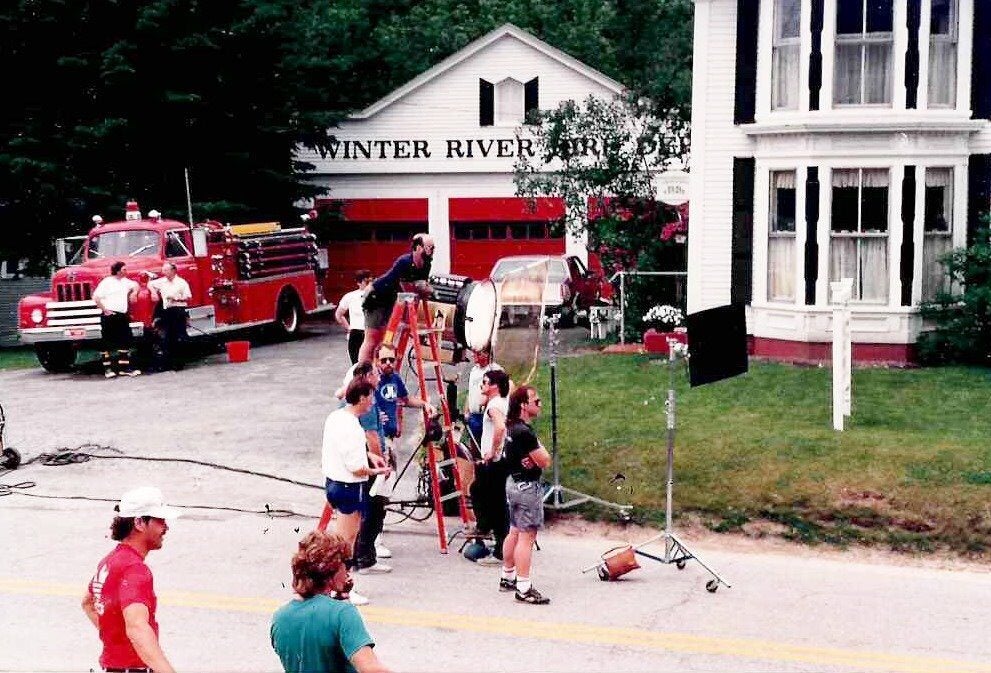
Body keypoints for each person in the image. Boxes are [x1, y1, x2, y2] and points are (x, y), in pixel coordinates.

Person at [82, 486, 182, 673]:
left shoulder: (109, 561)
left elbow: (88, 603)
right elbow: (137, 627)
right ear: (139, 523)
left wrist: (116, 640)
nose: (166, 527)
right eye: (160, 520)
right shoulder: (135, 570)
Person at [270, 530, 390, 673]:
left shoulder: (280, 617)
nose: (348, 571)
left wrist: (340, 597)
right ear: (333, 568)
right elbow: (370, 669)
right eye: (346, 563)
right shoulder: (342, 614)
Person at [323, 378, 390, 605]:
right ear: (361, 398)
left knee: (343, 539)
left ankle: (336, 584)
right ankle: (342, 589)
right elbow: (356, 467)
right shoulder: (352, 426)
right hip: (349, 487)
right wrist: (376, 470)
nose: (372, 402)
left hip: (333, 483)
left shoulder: (337, 417)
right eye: (370, 397)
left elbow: (345, 451)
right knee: (346, 542)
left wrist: (370, 455)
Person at [500, 385, 552, 605]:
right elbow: (545, 460)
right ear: (524, 405)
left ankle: (508, 575)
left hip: (512, 483)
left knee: (514, 531)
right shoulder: (526, 432)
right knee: (527, 536)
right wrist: (537, 450)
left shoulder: (512, 427)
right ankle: (523, 587)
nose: (539, 404)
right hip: (527, 487)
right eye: (536, 401)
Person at [357, 234, 435, 364]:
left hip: (389, 299)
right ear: (418, 247)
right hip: (376, 296)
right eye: (429, 247)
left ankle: (375, 369)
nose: (432, 250)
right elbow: (407, 289)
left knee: (383, 339)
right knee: (371, 339)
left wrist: (427, 290)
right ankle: (361, 371)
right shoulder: (404, 262)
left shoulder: (426, 265)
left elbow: (421, 284)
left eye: (433, 247)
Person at [468, 368, 511, 565]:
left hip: (495, 461)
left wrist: (492, 451)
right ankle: (488, 530)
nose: (481, 385)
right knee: (479, 490)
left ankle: (498, 546)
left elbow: (500, 427)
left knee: (495, 502)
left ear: (494, 386)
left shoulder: (494, 405)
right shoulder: (499, 401)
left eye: (485, 382)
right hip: (496, 460)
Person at [92, 261, 140, 378]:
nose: (126, 272)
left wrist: (134, 293)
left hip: (122, 315)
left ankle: (124, 369)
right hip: (110, 315)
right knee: (107, 342)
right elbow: (96, 297)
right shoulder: (107, 282)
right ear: (118, 271)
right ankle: (108, 370)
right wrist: (105, 310)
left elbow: (136, 285)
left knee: (125, 341)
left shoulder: (125, 281)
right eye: (124, 270)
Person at [148, 262, 192, 371]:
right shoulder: (162, 282)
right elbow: (150, 284)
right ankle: (168, 362)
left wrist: (176, 298)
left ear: (173, 271)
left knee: (180, 336)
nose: (164, 272)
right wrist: (153, 292)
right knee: (167, 337)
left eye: (166, 270)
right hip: (167, 311)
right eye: (163, 270)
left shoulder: (181, 282)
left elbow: (188, 297)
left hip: (178, 309)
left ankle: (179, 363)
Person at [462, 349, 503, 451]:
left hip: (487, 416)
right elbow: (470, 392)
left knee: (487, 447)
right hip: (473, 416)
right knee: (475, 446)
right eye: (474, 352)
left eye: (478, 353)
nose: (473, 355)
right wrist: (466, 411)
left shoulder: (495, 370)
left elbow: (500, 394)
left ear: (487, 354)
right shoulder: (474, 371)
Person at [336, 270, 373, 365]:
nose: (369, 284)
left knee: (373, 365)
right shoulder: (350, 296)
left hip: (371, 333)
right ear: (359, 282)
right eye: (366, 282)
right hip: (356, 334)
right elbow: (339, 315)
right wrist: (348, 328)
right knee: (356, 365)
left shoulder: (376, 295)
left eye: (371, 281)